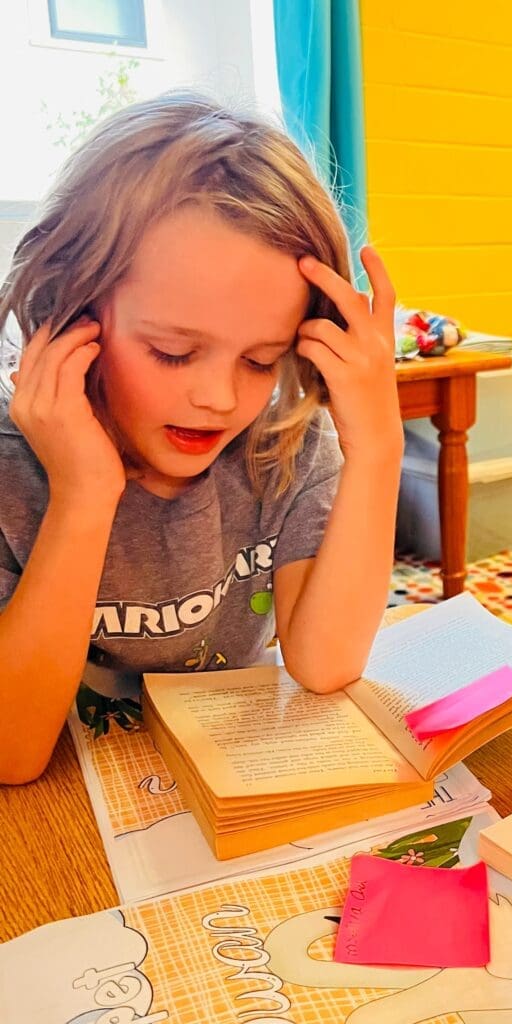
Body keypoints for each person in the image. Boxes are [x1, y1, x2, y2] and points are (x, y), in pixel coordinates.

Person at [0, 93, 403, 785]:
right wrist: (83, 495)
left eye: (259, 359)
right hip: (67, 793)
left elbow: (325, 662)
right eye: (172, 352)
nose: (220, 400)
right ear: (70, 312)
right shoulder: (13, 467)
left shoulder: (286, 445)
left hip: (225, 769)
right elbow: (11, 751)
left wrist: (379, 449)